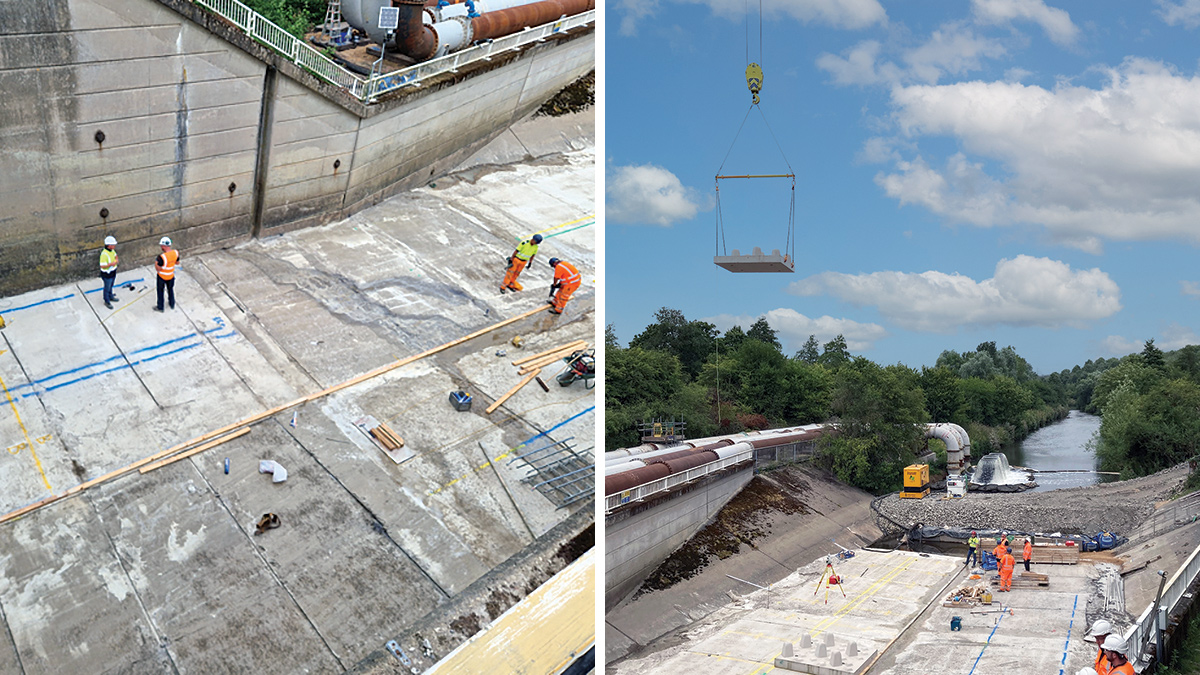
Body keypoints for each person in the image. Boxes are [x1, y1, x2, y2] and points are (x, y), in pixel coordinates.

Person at [154, 236, 179, 312]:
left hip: (162, 277)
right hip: (171, 276)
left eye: (161, 245)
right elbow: (177, 262)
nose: (161, 247)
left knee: (160, 291)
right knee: (170, 289)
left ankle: (160, 307)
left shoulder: (161, 257)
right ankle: (172, 304)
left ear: (163, 246)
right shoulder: (175, 253)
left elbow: (158, 269)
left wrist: (156, 262)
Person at [99, 236, 119, 310]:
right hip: (107, 274)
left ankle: (111, 296)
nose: (114, 246)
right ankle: (106, 300)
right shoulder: (104, 254)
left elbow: (115, 256)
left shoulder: (112, 251)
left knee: (111, 285)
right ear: (108, 245)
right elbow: (102, 265)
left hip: (113, 272)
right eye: (113, 245)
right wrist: (111, 264)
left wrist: (116, 260)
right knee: (107, 287)